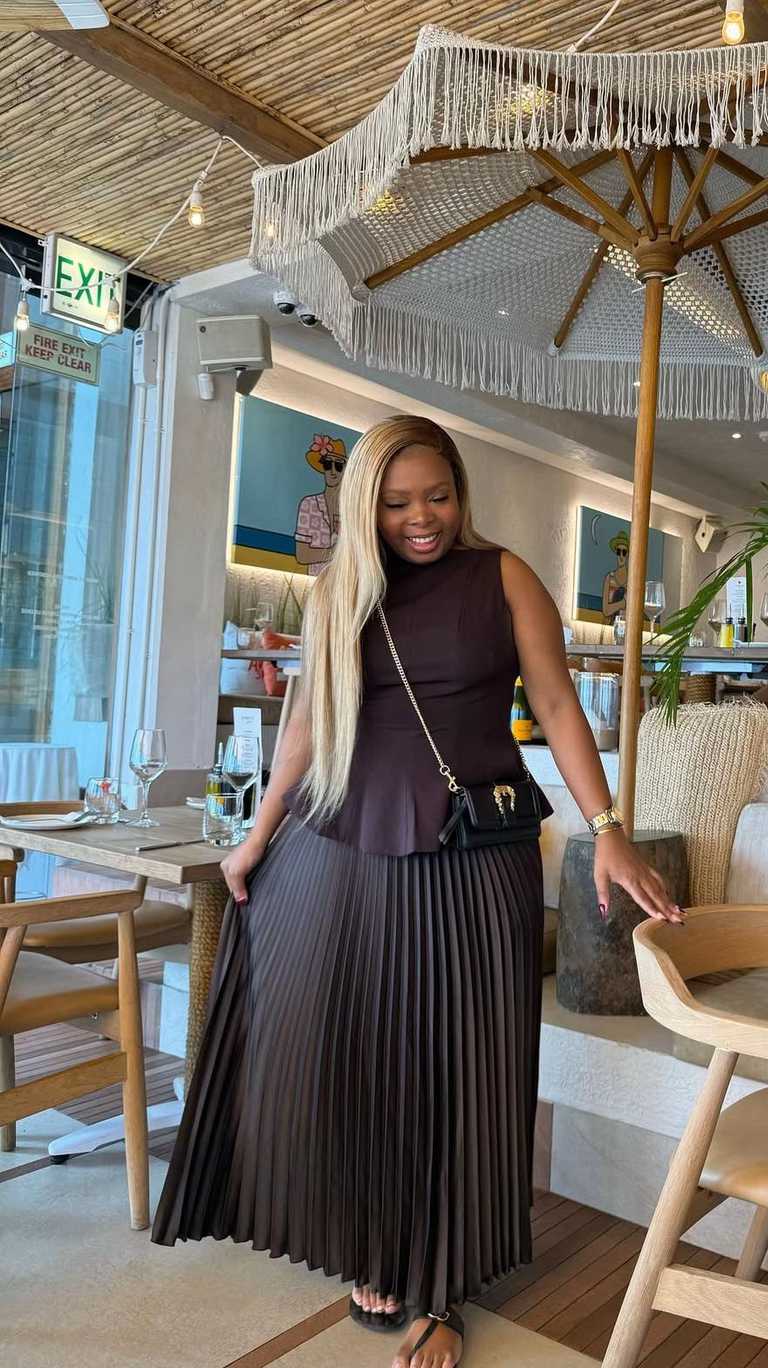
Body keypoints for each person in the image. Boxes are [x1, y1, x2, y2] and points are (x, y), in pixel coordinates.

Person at [152, 415, 683, 1368]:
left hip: (467, 857)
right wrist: (254, 841)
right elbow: (304, 727)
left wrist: (607, 830)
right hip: (340, 848)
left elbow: (556, 703)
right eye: (396, 504)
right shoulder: (337, 593)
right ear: (365, 506)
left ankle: (441, 1287)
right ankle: (370, 1235)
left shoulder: (505, 577)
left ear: (460, 491)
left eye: (436, 496)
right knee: (336, 1041)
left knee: (456, 1063)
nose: (421, 519)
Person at [294, 432, 347, 575]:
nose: (333, 471)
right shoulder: (310, 505)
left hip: (345, 585)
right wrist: (335, 552)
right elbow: (302, 555)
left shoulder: (351, 511)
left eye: (339, 466)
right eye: (328, 464)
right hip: (316, 582)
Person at [600, 529, 629, 622]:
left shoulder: (633, 581)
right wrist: (623, 603)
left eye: (624, 552)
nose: (621, 556)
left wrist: (614, 606)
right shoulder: (609, 578)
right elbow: (606, 611)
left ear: (628, 554)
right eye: (618, 552)